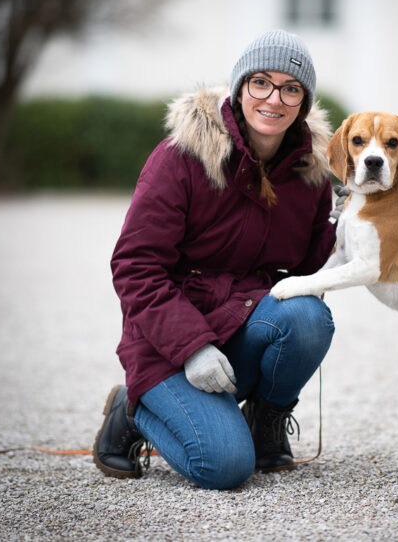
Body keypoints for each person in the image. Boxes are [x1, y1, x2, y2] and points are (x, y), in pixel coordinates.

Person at [92, 30, 337, 490]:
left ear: (303, 101)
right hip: (168, 346)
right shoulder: (181, 158)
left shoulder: (310, 173)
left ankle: (266, 420)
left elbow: (306, 272)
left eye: (291, 88)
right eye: (261, 82)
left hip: (242, 325)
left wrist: (341, 230)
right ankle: (134, 408)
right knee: (223, 468)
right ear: (241, 87)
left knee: (308, 316)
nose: (273, 98)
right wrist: (191, 347)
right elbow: (135, 266)